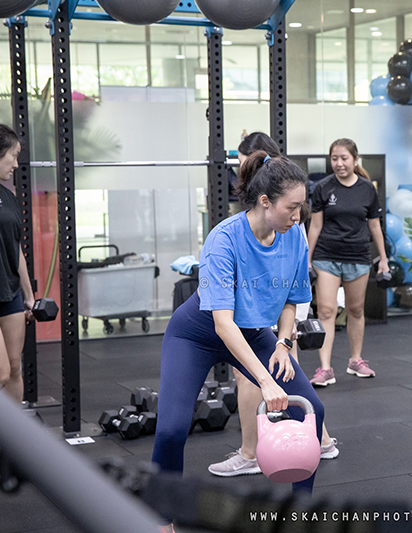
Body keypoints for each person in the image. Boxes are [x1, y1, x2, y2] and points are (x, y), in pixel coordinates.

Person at [152, 150, 323, 532]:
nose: (298, 216)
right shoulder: (224, 240)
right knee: (171, 430)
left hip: (255, 332)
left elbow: (293, 300)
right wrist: (265, 381)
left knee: (312, 410)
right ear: (265, 202)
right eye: (291, 207)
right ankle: (162, 521)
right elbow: (223, 324)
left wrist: (283, 343)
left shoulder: (294, 236)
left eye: (301, 207)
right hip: (196, 335)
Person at [207, 133, 339, 478]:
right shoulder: (233, 233)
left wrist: (283, 340)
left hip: (276, 311)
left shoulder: (288, 223)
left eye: (244, 162)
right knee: (272, 375)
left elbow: (290, 290)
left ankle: (255, 452)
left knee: (267, 375)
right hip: (258, 313)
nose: (297, 215)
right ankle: (319, 441)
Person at [307, 138, 389, 386]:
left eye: (344, 158)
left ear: (355, 159)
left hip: (358, 256)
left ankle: (355, 360)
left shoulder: (367, 189)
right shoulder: (322, 188)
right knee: (326, 311)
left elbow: (374, 226)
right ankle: (325, 368)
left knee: (356, 310)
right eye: (334, 158)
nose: (339, 163)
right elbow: (315, 226)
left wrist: (384, 259)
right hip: (326, 257)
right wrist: (306, 259)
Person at [0, 124, 34, 403]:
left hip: (10, 292)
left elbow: (15, 249)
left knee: (14, 368)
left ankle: (12, 430)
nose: (16, 165)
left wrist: (29, 296)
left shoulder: (9, 197)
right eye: (13, 156)